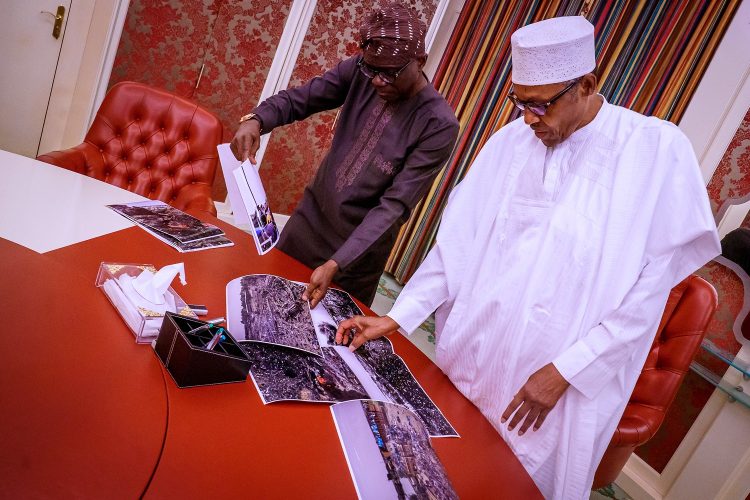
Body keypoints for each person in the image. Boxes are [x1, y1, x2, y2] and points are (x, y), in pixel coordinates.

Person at [336, 16, 720, 499]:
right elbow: (456, 246)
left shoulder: (656, 150)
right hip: (474, 358)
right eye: (519, 102)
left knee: (519, 486)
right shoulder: (509, 143)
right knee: (442, 473)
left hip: (558, 390)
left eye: (540, 105)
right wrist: (399, 317)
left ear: (586, 85)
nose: (528, 119)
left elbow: (648, 295)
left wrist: (568, 371)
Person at [231, 2, 459, 308]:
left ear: (420, 61)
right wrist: (256, 120)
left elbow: (393, 207)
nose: (377, 80)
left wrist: (337, 263)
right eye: (372, 69)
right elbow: (300, 100)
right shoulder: (360, 71)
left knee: (321, 342)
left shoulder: (438, 124)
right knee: (261, 304)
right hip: (307, 225)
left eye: (389, 73)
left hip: (355, 258)